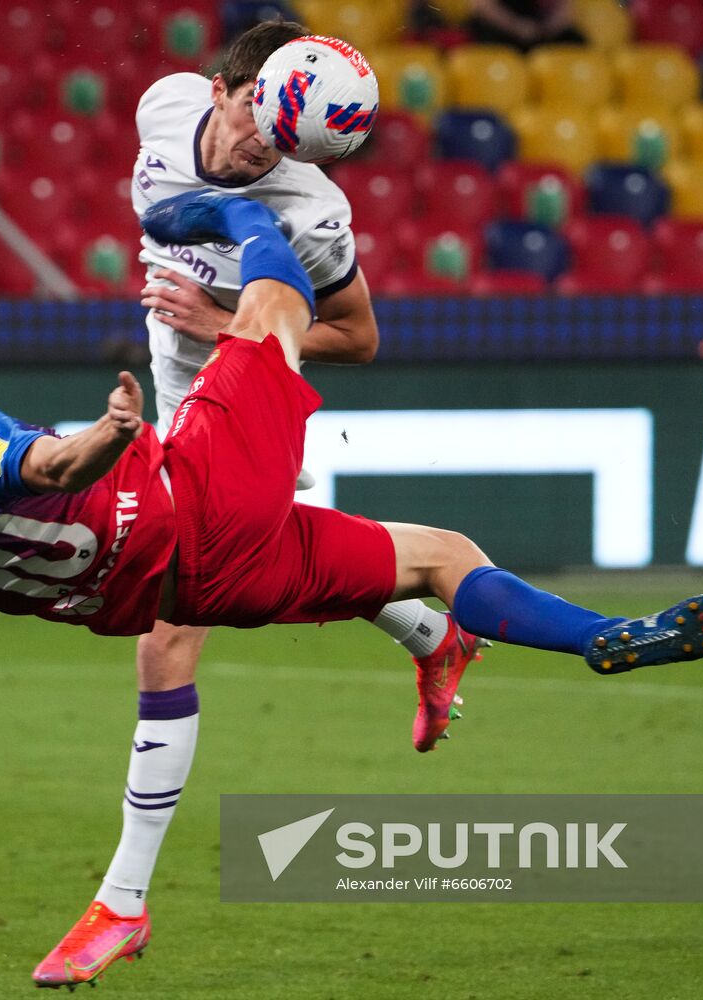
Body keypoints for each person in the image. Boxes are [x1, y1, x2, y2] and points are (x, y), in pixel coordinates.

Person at [0, 189, 703, 989]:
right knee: (272, 302)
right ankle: (592, 637)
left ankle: (127, 900)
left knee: (436, 554)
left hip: (187, 587)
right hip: (193, 497)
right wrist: (110, 432)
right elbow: (41, 465)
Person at [54, 19, 466, 982]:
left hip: (249, 403)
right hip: (175, 401)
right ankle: (432, 634)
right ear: (225, 86)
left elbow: (359, 337)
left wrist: (213, 319)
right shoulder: (165, 105)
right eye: (253, 123)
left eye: (285, 141)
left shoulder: (310, 209)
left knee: (172, 622)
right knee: (275, 567)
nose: (259, 149)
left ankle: (122, 902)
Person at [466, 0, 586, 51]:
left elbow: (566, 11)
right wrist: (515, 26)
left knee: (575, 41)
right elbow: (482, 6)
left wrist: (549, 27)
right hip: (502, 26)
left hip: (540, 28)